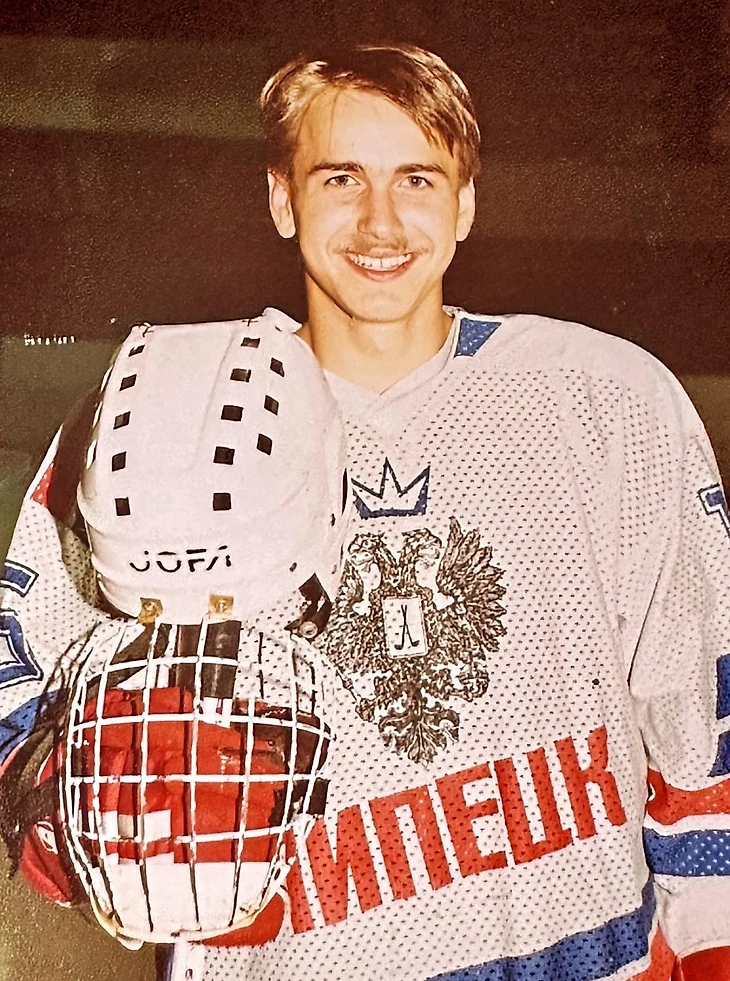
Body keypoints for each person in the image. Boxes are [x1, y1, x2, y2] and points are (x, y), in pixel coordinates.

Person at [1, 42, 729, 981]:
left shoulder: (604, 399)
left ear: (465, 204)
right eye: (340, 178)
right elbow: (18, 685)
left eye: (417, 179)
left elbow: (701, 726)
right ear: (282, 198)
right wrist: (79, 814)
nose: (380, 221)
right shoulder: (164, 410)